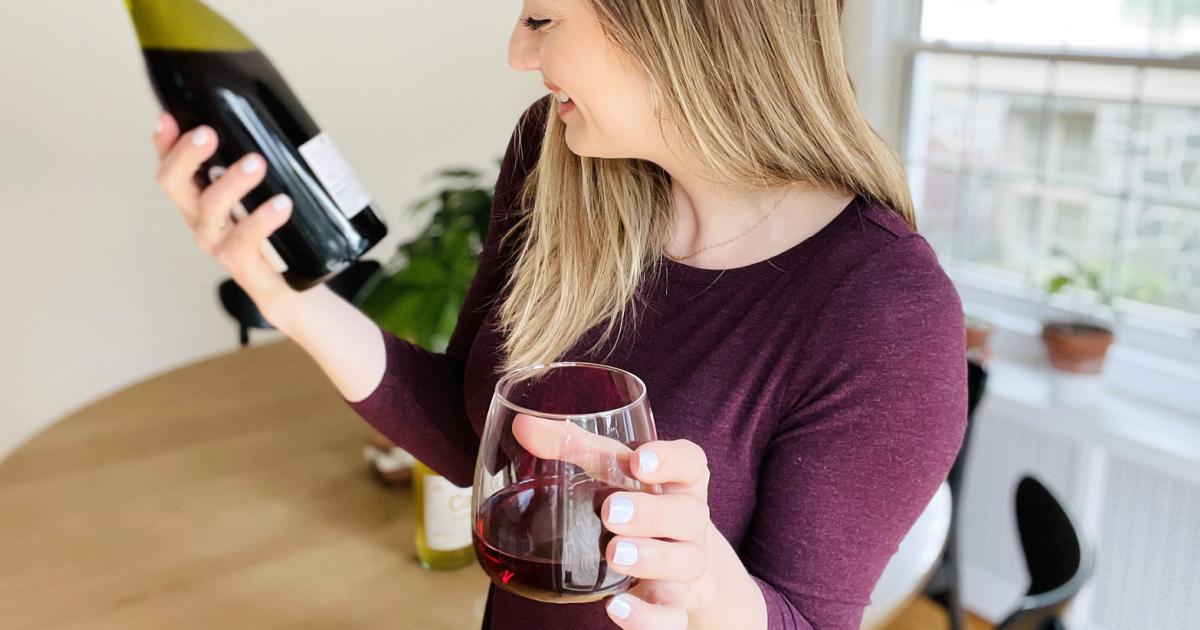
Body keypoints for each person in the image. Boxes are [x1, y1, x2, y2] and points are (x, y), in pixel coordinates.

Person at [149, 0, 967, 628]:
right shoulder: (556, 158)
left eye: (544, 17)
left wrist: (707, 583)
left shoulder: (885, 315)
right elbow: (483, 447)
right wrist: (285, 298)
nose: (518, 51)